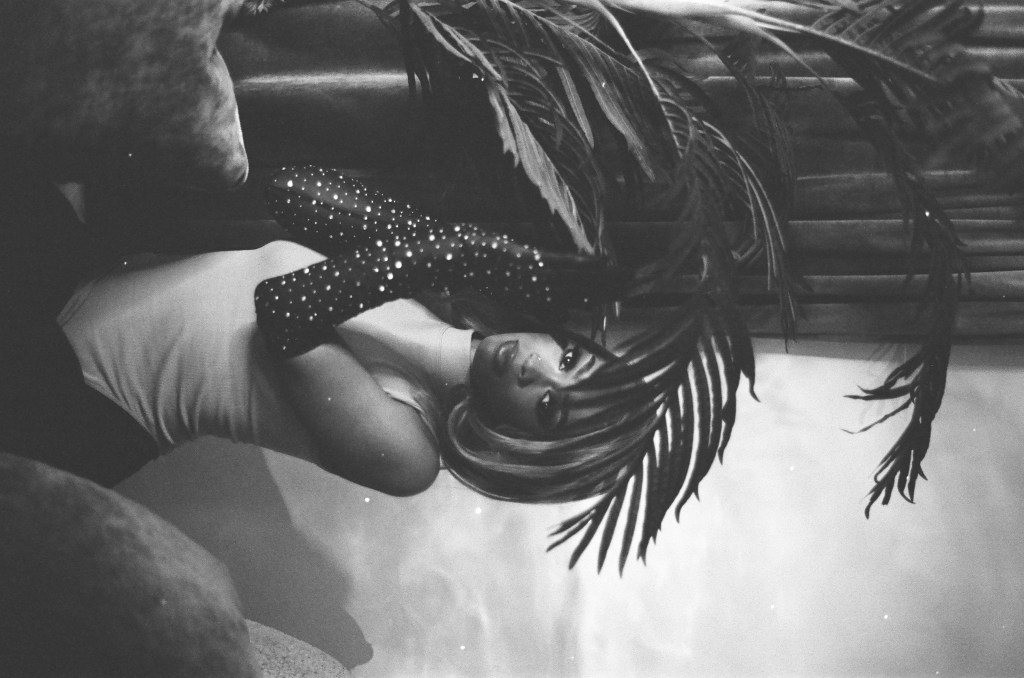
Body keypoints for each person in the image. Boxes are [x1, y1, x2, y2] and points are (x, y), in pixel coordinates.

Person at [6, 165, 646, 504]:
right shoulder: (433, 300)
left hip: (75, 400)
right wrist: (451, 259)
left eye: (550, 405)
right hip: (73, 281)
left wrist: (458, 252)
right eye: (568, 358)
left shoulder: (411, 455)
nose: (536, 369)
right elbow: (293, 191)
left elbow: (283, 314)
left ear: (523, 449)